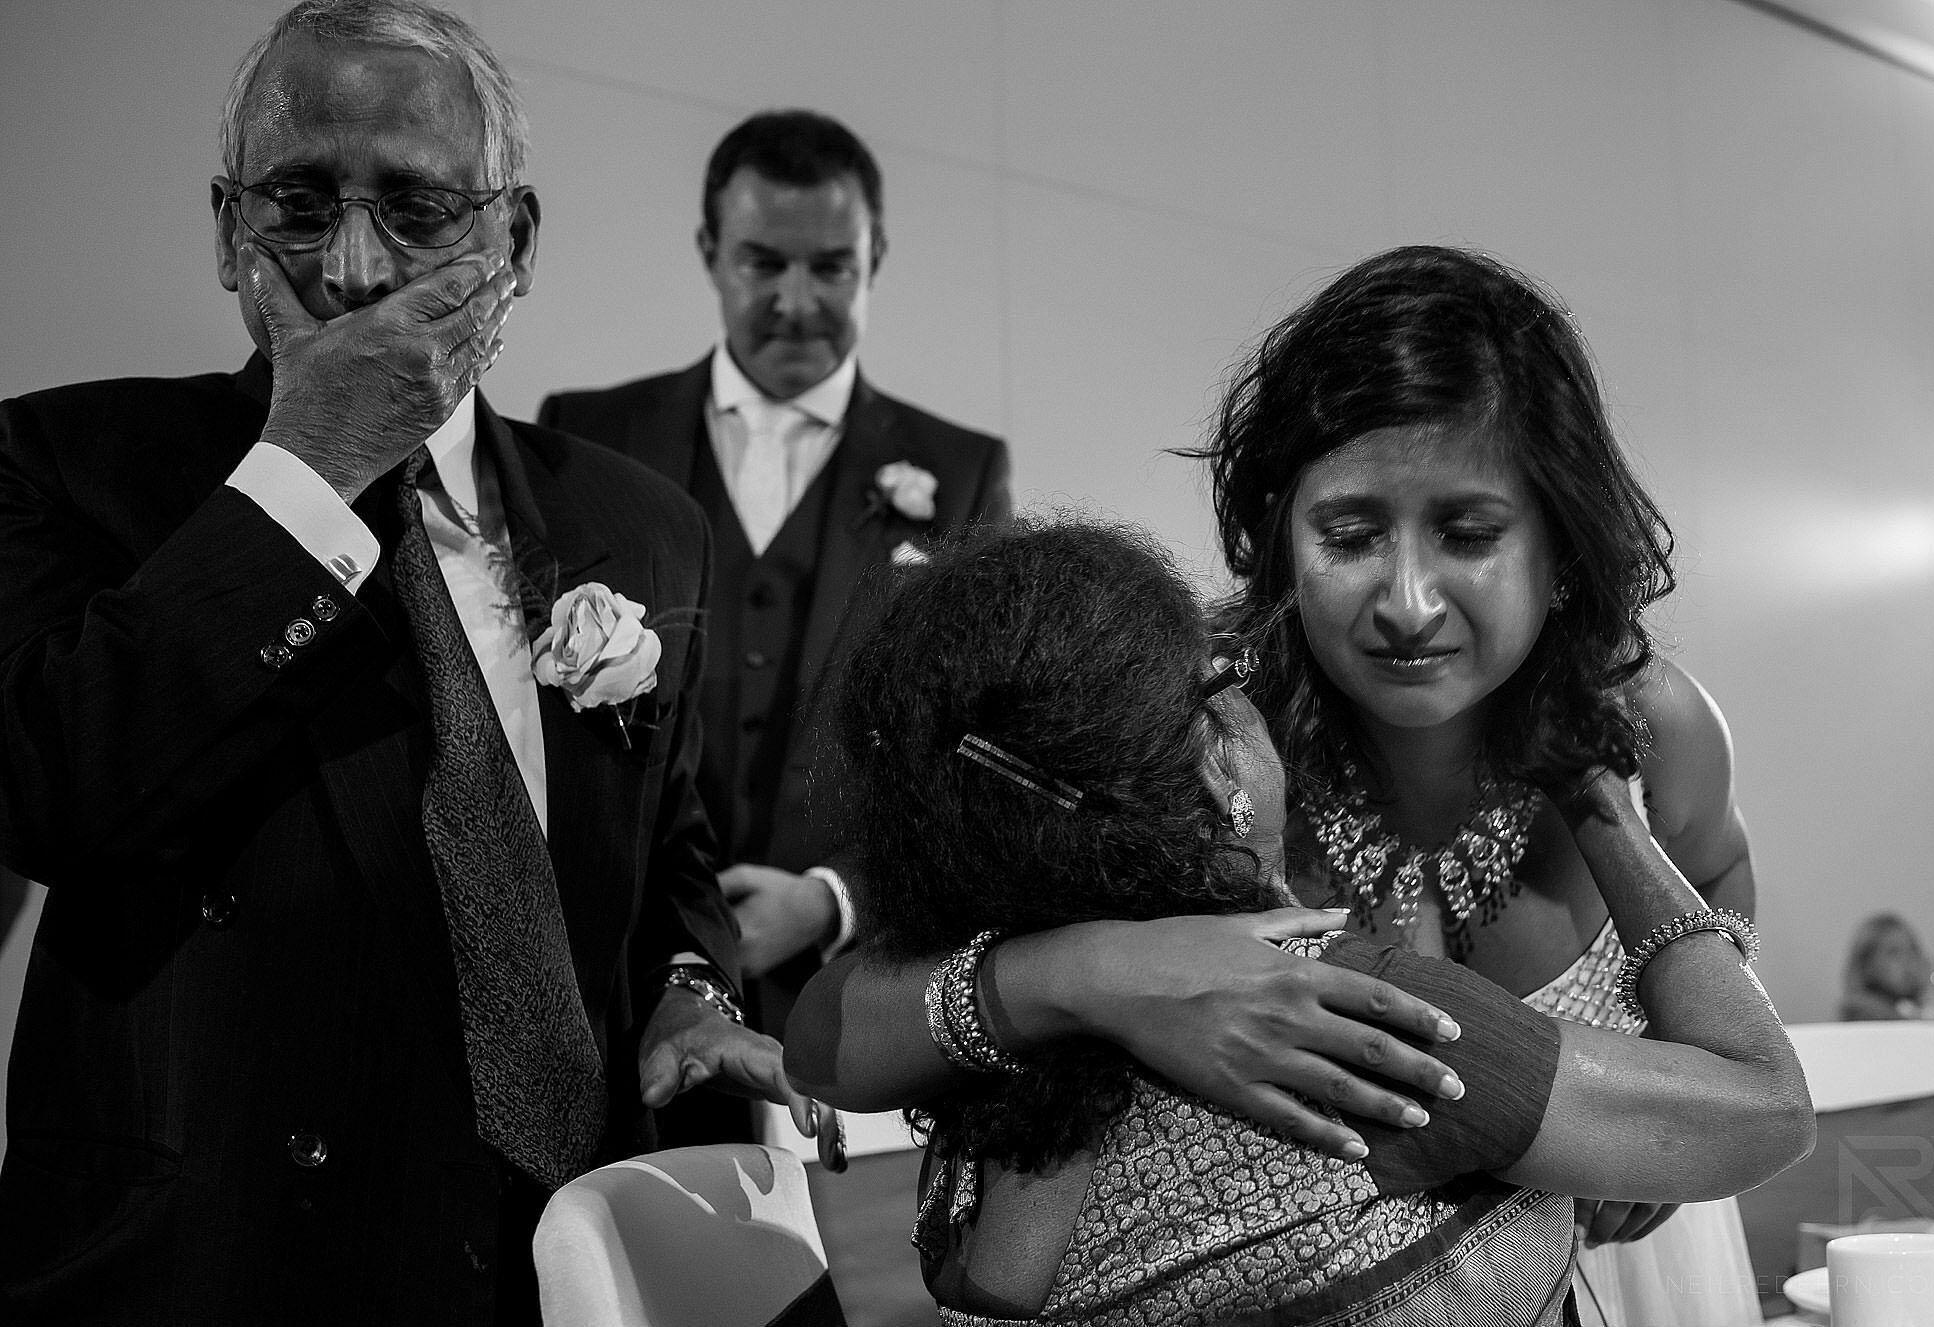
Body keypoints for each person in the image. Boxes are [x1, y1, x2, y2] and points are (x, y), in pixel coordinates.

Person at [0, 4, 818, 1322]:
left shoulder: (639, 521)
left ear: (518, 238)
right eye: (301, 201)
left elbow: (669, 831)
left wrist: (685, 986)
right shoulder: (71, 467)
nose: (355, 266)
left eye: (419, 205)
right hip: (210, 1259)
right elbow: (52, 787)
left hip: (547, 1257)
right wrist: (311, 466)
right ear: (225, 226)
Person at [790, 247, 1767, 1326]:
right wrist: (1086, 968)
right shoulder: (1197, 740)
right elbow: (831, 1027)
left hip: (1636, 1217)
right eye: (1348, 535)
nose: (1404, 601)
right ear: (1276, 543)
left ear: (1562, 546)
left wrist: (1648, 1073)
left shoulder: (1646, 725)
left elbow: (1719, 872)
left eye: (1467, 533)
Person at [539, 110, 1012, 1048]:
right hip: (611, 995)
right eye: (764, 262)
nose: (797, 300)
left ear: (876, 258)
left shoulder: (961, 472)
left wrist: (833, 898)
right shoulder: (586, 436)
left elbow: (980, 756)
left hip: (841, 1008)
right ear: (711, 252)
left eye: (831, 266)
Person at [1839, 913, 1933, 1021]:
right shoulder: (1861, 1014)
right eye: (1894, 952)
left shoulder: (1919, 1008)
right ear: (1867, 965)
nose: (1907, 959)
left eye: (1913, 949)